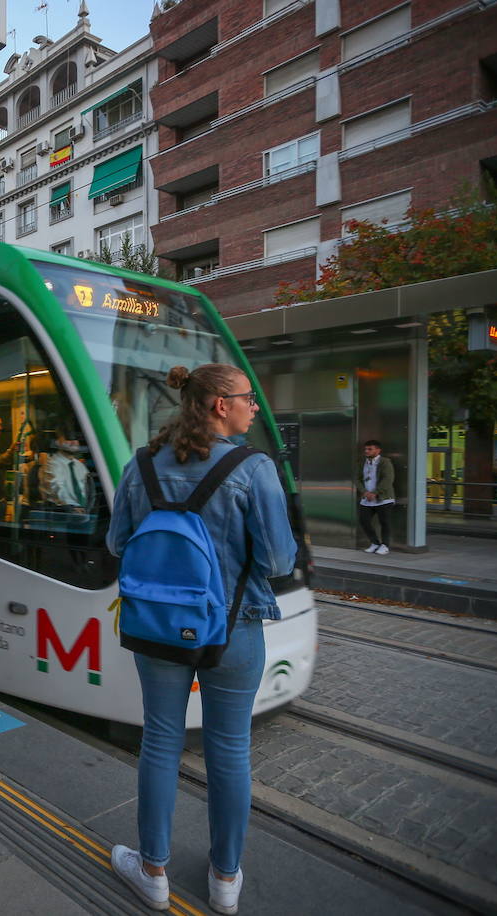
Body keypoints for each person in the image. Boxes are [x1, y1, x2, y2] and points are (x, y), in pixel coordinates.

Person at [106, 364, 297, 915]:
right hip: (233, 630)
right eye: (247, 398)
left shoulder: (141, 464)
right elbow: (279, 560)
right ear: (218, 405)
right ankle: (224, 880)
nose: (254, 407)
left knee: (162, 741)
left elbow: (118, 543)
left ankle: (153, 871)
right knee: (230, 750)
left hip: (158, 630)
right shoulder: (252, 467)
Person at [358, 439, 395, 555]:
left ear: (378, 450)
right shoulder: (362, 463)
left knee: (384, 522)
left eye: (370, 449)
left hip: (383, 498)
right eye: (365, 449)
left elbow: (388, 479)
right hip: (367, 499)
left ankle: (385, 545)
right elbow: (357, 479)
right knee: (364, 521)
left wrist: (375, 493)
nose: (366, 451)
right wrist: (364, 492)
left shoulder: (385, 462)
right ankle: (375, 543)